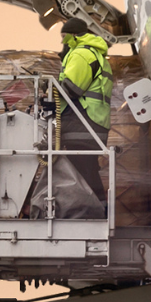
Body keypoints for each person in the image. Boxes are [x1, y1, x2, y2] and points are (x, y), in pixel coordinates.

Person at [55, 17, 113, 213]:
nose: (62, 41)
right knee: (87, 170)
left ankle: (92, 212)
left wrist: (49, 87)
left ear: (74, 35)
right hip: (93, 122)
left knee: (80, 172)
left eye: (64, 36)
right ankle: (100, 209)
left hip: (83, 123)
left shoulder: (81, 54)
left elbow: (72, 89)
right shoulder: (94, 53)